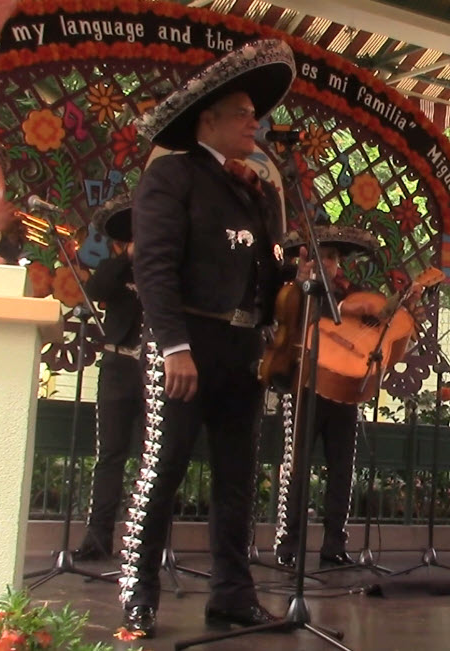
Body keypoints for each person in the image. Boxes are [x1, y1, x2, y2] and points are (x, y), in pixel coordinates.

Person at [118, 38, 299, 639]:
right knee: (163, 468)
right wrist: (173, 346)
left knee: (236, 477)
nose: (256, 122)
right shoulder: (173, 175)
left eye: (256, 114)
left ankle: (233, 594)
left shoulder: (258, 189)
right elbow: (155, 268)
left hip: (243, 350)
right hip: (186, 342)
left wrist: (293, 269)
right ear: (209, 120)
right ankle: (137, 595)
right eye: (243, 113)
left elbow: (266, 274)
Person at [271, 223, 382, 569]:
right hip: (303, 388)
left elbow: (374, 329)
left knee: (342, 467)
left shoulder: (352, 297)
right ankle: (288, 543)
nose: (328, 264)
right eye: (321, 257)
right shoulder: (296, 290)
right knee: (297, 466)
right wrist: (305, 287)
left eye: (332, 258)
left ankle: (335, 543)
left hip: (341, 391)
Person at [72, 193, 144, 562]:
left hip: (153, 370)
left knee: (154, 458)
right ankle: (97, 538)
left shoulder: (168, 270)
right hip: (117, 367)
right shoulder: (116, 269)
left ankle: (146, 542)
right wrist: (127, 257)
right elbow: (98, 291)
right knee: (110, 455)